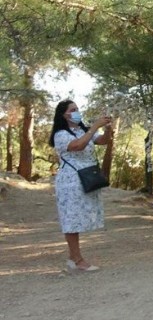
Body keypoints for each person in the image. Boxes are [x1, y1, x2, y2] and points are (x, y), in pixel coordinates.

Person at [48, 99, 113, 273]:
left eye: (77, 108)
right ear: (64, 115)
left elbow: (103, 141)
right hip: (70, 182)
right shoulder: (61, 134)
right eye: (73, 109)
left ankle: (72, 258)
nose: (77, 111)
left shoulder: (82, 130)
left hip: (86, 178)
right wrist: (94, 127)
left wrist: (107, 129)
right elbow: (78, 145)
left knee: (79, 217)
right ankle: (77, 260)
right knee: (71, 218)